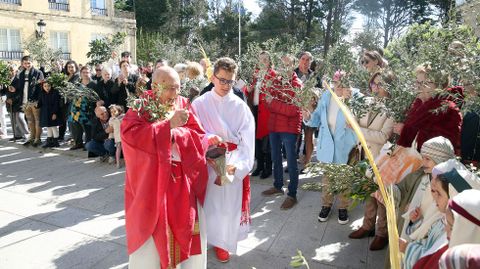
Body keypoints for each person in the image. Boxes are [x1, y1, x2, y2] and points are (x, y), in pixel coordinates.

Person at [122, 66, 209, 269]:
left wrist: (178, 134)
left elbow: (197, 134)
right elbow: (130, 136)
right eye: (169, 88)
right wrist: (167, 127)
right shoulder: (141, 105)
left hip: (182, 184)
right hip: (152, 185)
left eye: (177, 87)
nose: (174, 94)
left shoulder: (183, 103)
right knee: (151, 246)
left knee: (188, 231)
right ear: (154, 86)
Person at [192, 57, 255, 263]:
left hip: (230, 161)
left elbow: (247, 141)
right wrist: (206, 143)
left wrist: (236, 165)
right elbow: (191, 133)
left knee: (227, 205)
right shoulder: (199, 104)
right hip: (206, 160)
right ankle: (203, 239)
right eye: (222, 80)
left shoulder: (240, 106)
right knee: (207, 203)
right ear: (212, 77)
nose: (226, 85)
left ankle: (222, 242)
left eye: (230, 81)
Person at [348, 72, 394, 250]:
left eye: (379, 84)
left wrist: (358, 129)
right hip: (364, 155)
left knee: (381, 196)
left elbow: (383, 137)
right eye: (373, 84)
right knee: (368, 192)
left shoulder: (392, 108)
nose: (375, 87)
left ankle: (382, 233)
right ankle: (367, 226)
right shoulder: (367, 102)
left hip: (381, 158)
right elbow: (357, 121)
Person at [309, 70, 357, 224]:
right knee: (328, 177)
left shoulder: (355, 97)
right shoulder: (326, 96)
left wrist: (349, 101)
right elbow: (316, 117)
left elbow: (360, 120)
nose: (338, 87)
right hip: (327, 142)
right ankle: (326, 204)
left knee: (344, 177)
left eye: (341, 84)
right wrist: (308, 117)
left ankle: (343, 207)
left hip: (345, 144)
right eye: (336, 83)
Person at [261, 54, 303, 210]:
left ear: (292, 66)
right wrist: (281, 104)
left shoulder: (297, 84)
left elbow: (294, 110)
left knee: (291, 161)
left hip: (289, 128)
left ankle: (292, 194)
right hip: (274, 126)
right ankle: (278, 185)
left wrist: (276, 103)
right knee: (275, 157)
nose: (284, 68)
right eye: (281, 65)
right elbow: (267, 101)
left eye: (287, 65)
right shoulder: (276, 81)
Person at [394, 63, 462, 152]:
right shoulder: (417, 106)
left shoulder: (448, 110)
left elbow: (443, 148)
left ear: (440, 86)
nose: (418, 86)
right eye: (417, 82)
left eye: (425, 83)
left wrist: (405, 130)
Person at [246, 51, 275, 179]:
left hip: (266, 112)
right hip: (255, 110)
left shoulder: (273, 75)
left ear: (270, 61)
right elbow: (248, 90)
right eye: (261, 59)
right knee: (257, 140)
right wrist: (248, 89)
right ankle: (259, 166)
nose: (263, 61)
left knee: (266, 141)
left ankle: (268, 168)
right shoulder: (256, 75)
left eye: (265, 59)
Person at [10, 55, 44, 146]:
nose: (27, 65)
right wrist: (13, 89)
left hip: (34, 100)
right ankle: (31, 137)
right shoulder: (21, 74)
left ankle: (37, 138)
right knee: (29, 120)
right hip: (24, 101)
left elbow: (41, 88)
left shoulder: (38, 73)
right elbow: (18, 87)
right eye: (25, 63)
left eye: (29, 63)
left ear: (32, 62)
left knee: (37, 120)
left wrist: (39, 101)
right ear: (22, 64)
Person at [69, 66, 96, 150]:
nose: (85, 74)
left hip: (87, 109)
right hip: (76, 109)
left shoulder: (93, 84)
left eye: (87, 72)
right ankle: (78, 143)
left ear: (90, 73)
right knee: (75, 126)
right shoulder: (77, 83)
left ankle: (87, 144)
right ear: (80, 73)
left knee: (87, 127)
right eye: (83, 72)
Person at [5, 64, 29, 141]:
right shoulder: (6, 79)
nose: (11, 72)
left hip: (19, 102)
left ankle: (26, 135)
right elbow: (5, 91)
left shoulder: (19, 79)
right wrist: (7, 98)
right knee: (13, 119)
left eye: (12, 70)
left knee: (19, 118)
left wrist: (14, 99)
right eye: (9, 70)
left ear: (16, 70)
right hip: (9, 102)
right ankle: (17, 135)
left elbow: (21, 92)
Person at [37, 80, 61, 148]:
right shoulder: (42, 93)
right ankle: (49, 141)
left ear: (51, 86)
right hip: (45, 112)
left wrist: (54, 113)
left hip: (52, 112)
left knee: (53, 126)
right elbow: (40, 102)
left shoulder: (55, 93)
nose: (47, 87)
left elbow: (56, 104)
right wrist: (37, 105)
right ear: (43, 87)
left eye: (48, 86)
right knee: (48, 127)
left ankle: (56, 141)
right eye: (45, 86)